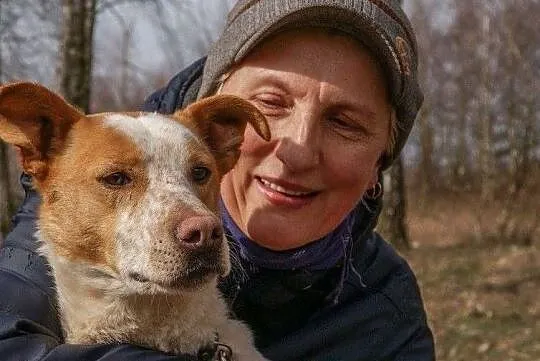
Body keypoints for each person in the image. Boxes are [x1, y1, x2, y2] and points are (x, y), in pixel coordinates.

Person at [0, 0, 435, 360]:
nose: (297, 150)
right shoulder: (63, 184)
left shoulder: (388, 319)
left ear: (380, 164)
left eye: (345, 122)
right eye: (271, 102)